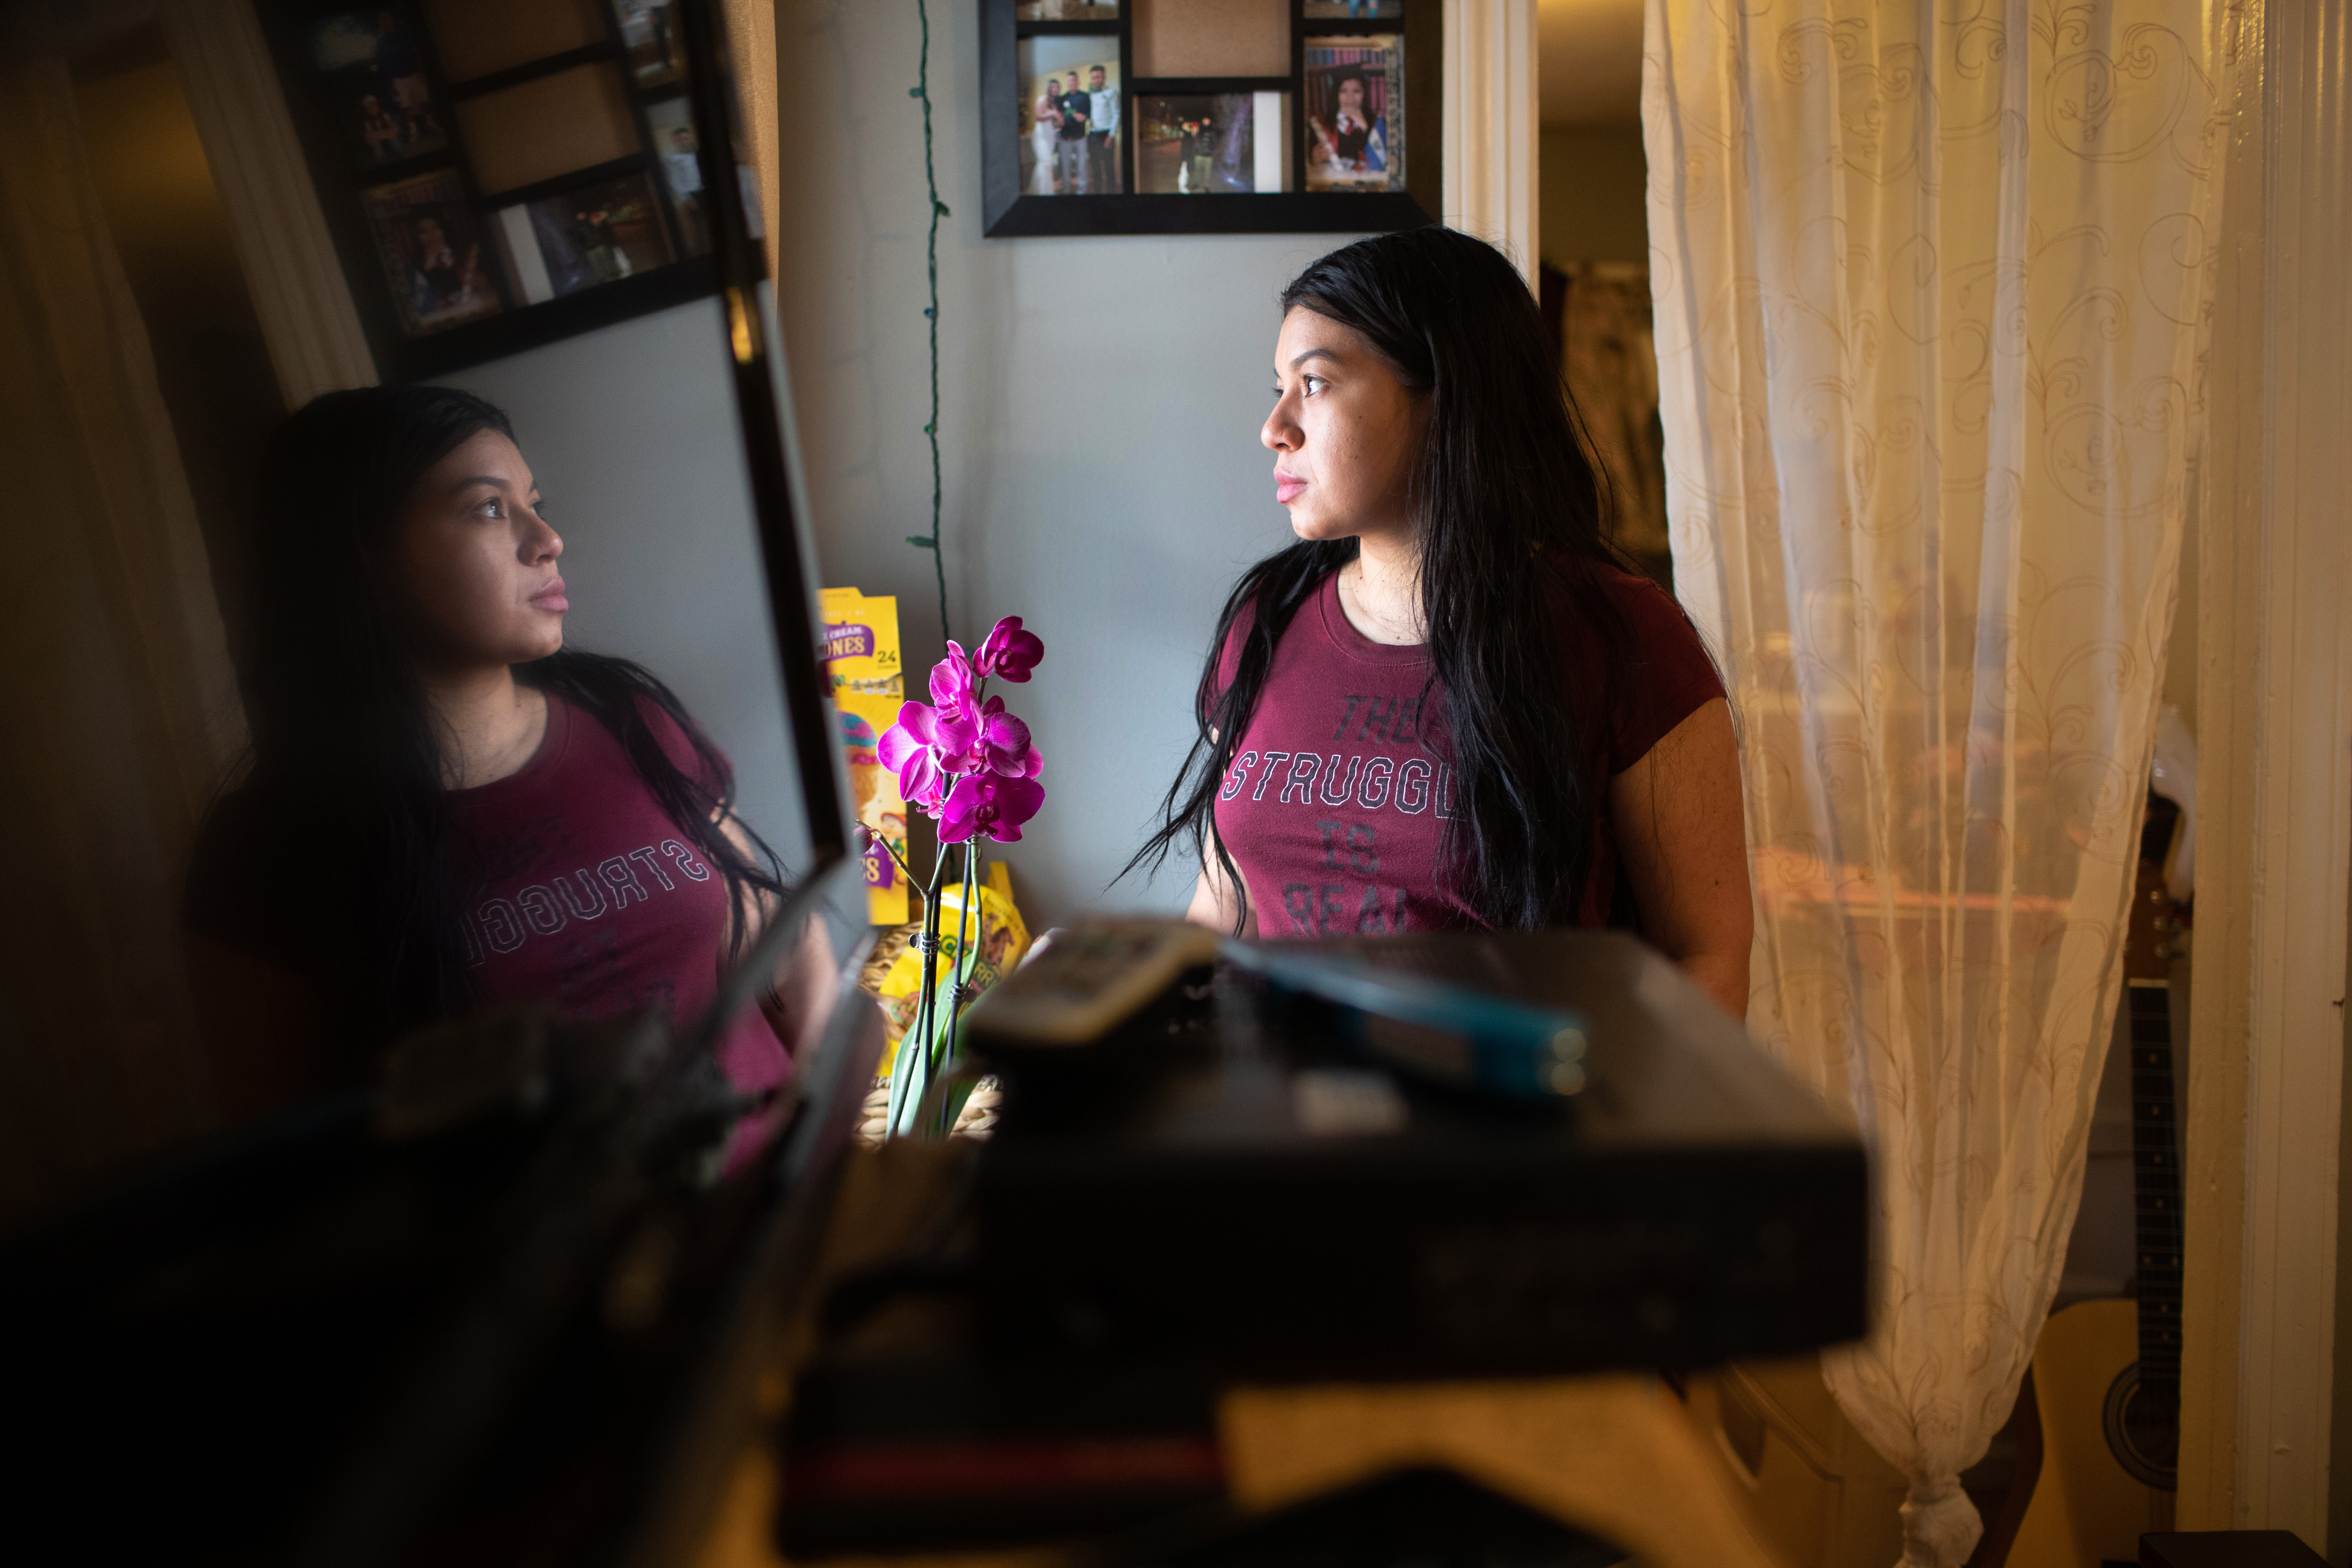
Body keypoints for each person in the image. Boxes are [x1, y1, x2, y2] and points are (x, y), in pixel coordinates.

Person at [183, 386, 836, 1157]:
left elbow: (782, 946)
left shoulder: (626, 715)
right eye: (490, 509)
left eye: (535, 503)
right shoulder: (269, 852)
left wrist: (820, 1131)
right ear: (365, 557)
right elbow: (279, 1161)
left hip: (780, 1201)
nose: (548, 538)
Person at [1133, 229, 1752, 1018]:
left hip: (1507, 1130)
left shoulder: (1621, 637)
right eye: (1277, 386)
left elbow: (1706, 958)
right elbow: (1225, 910)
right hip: (1274, 1125)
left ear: (1442, 395)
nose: (1275, 426)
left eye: (1314, 383)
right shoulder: (1266, 621)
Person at [1309, 67, 1386, 179]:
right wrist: (1312, 160)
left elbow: (1383, 164)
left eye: (1357, 91)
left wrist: (1367, 129)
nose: (1350, 97)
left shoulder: (1377, 123)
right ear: (1336, 94)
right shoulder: (1319, 124)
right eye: (1343, 91)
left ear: (1364, 94)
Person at [663, 125, 707, 252]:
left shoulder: (697, 154)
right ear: (676, 142)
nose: (685, 142)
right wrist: (687, 199)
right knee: (700, 227)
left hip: (706, 192)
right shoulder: (674, 160)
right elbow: (675, 182)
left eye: (687, 139)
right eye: (681, 139)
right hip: (693, 196)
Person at [1086, 64, 1120, 195]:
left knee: (1109, 168)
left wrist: (1111, 136)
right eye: (1093, 78)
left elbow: (1116, 115)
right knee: (1095, 168)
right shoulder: (1091, 95)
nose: (1096, 80)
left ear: (1104, 77)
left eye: (1098, 77)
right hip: (1093, 135)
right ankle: (1098, 195)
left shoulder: (1111, 93)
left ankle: (1111, 195)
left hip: (1106, 134)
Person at [1055, 74, 1091, 194]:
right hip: (1065, 139)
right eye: (1069, 81)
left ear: (1078, 82)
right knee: (1066, 169)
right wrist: (1059, 120)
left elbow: (1089, 114)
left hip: (1081, 138)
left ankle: (1082, 194)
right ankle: (1066, 193)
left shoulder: (1085, 96)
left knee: (1082, 168)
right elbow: (1058, 116)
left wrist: (1084, 117)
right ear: (1067, 83)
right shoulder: (1063, 98)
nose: (1072, 83)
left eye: (1074, 80)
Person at [1031, 76, 1062, 194]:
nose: (1056, 89)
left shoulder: (1054, 104)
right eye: (1053, 87)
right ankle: (1045, 193)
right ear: (1049, 88)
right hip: (1041, 138)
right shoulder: (1043, 99)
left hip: (1050, 137)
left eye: (1058, 87)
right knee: (1046, 163)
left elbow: (1053, 122)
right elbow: (1038, 117)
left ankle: (1039, 190)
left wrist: (1058, 123)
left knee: (1046, 165)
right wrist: (1053, 115)